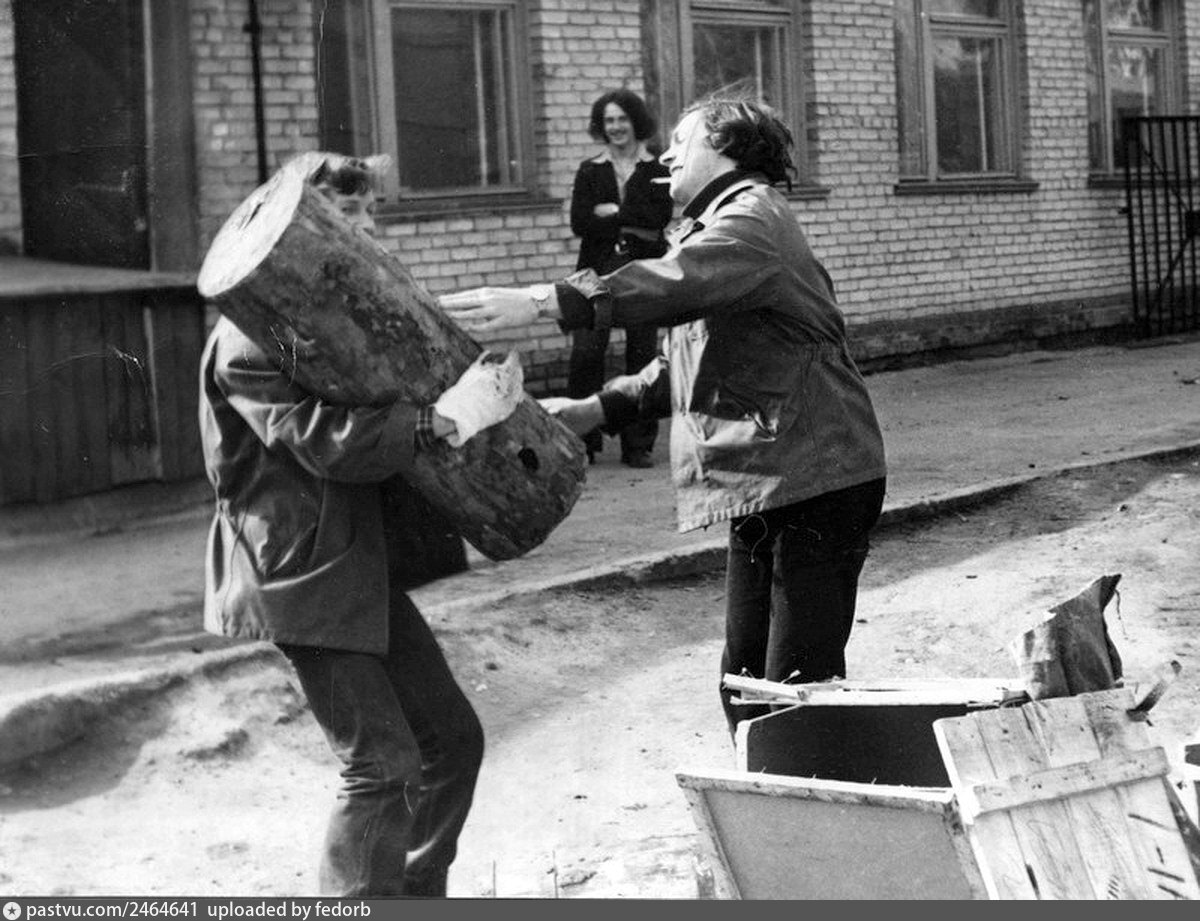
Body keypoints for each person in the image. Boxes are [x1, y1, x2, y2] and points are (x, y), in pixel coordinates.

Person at [439, 97, 888, 738]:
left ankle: (807, 791)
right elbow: (692, 356)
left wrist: (545, 300)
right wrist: (600, 407)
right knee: (746, 681)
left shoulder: (752, 218)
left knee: (794, 688)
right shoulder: (717, 226)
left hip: (817, 477)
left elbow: (671, 281)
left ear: (727, 149)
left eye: (683, 141)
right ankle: (759, 786)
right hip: (773, 478)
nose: (669, 155)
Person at [200, 152, 520, 897]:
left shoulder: (317, 315)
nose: (369, 231)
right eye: (351, 218)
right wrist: (440, 419)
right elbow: (319, 439)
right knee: (381, 766)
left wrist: (472, 392)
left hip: (350, 562)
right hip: (299, 574)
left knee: (451, 742)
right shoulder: (252, 334)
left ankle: (409, 894)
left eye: (371, 214)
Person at [567, 89, 673, 467]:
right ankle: (581, 442)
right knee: (586, 354)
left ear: (636, 122)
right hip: (594, 272)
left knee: (641, 355)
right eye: (608, 120)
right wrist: (630, 219)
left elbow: (658, 219)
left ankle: (638, 445)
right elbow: (580, 222)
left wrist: (611, 212)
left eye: (622, 119)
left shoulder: (658, 169)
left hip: (643, 271)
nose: (615, 127)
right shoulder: (590, 169)